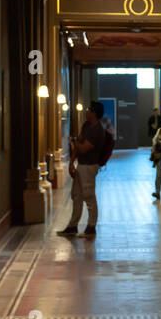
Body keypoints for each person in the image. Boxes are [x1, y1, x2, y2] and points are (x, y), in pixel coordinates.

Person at [58, 100, 106, 236]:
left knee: (88, 195)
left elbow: (84, 148)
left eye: (89, 109)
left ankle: (91, 226)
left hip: (90, 166)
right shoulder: (86, 125)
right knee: (76, 195)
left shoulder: (98, 130)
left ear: (94, 113)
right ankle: (73, 225)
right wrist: (71, 163)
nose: (86, 111)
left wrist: (73, 141)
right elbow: (79, 145)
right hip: (81, 165)